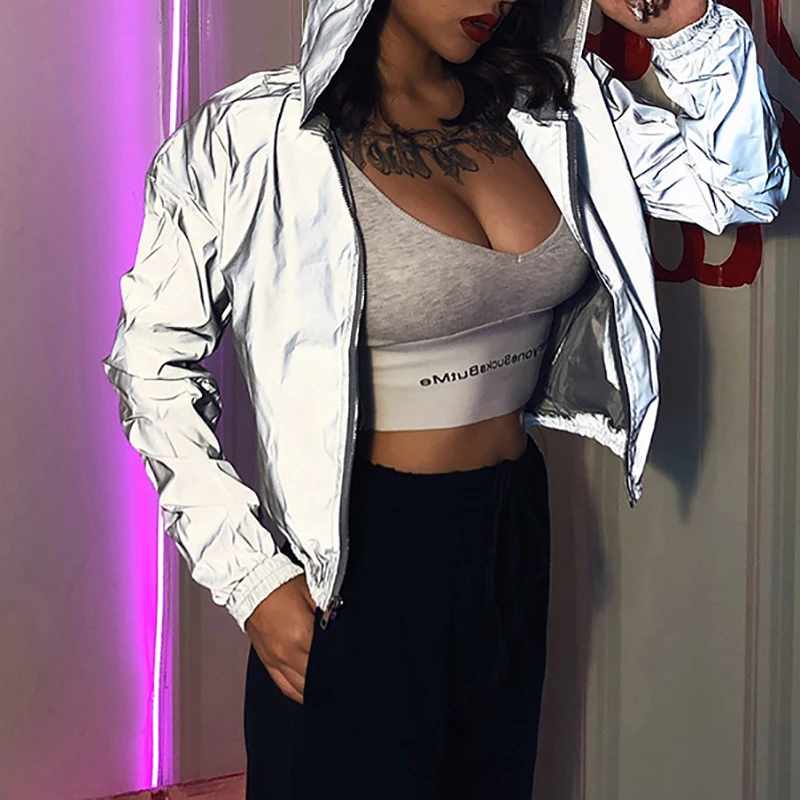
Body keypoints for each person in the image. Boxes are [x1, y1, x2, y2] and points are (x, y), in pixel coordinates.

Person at [102, 0, 789, 797]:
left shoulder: (553, 106)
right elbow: (150, 364)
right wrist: (250, 579)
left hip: (509, 525)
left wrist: (683, 26)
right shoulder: (255, 136)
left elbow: (742, 186)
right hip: (359, 554)